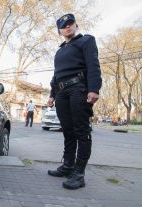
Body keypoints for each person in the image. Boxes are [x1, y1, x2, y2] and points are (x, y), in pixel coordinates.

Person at [47, 13, 102, 190]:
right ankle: (68, 166)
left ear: (75, 25)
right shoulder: (60, 50)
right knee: (68, 131)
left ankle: (79, 174)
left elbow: (93, 65)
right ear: (59, 31)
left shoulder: (86, 41)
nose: (67, 27)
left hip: (79, 89)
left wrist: (94, 89)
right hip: (61, 93)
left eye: (70, 23)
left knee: (81, 130)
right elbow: (56, 76)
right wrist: (52, 94)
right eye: (63, 26)